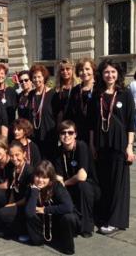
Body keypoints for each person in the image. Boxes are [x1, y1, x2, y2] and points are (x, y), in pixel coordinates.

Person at [88, 58, 135, 234]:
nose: (110, 75)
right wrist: (92, 145)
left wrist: (130, 146)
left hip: (119, 145)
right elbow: (92, 123)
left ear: (118, 74)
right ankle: (103, 216)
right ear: (102, 74)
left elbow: (131, 123)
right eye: (107, 72)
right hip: (101, 144)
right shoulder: (97, 94)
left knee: (118, 184)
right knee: (104, 183)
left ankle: (116, 221)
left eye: (113, 72)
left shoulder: (125, 93)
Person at [54, 119, 100, 237]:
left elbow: (82, 176)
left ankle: (86, 227)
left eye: (70, 133)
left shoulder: (81, 146)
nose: (66, 136)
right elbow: (58, 176)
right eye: (63, 133)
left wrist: (65, 183)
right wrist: (62, 183)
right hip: (70, 185)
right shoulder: (59, 151)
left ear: (75, 134)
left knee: (82, 186)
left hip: (89, 187)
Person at [24, 161, 79, 255]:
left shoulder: (57, 186)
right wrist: (34, 192)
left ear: (50, 178)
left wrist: (44, 209)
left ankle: (68, 246)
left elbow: (68, 207)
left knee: (69, 217)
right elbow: (29, 212)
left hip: (59, 222)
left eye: (44, 177)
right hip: (44, 225)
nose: (40, 180)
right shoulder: (32, 187)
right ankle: (39, 239)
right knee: (30, 217)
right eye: (38, 176)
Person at [0, 139, 33, 238]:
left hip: (26, 205)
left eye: (17, 155)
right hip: (17, 200)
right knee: (2, 212)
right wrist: (9, 204)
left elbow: (28, 198)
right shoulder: (14, 169)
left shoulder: (29, 171)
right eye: (11, 156)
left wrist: (11, 205)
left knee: (3, 213)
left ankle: (23, 230)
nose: (14, 158)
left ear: (24, 154)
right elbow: (12, 189)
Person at [27, 64, 57, 160]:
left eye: (39, 77)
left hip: (49, 134)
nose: (36, 79)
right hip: (34, 135)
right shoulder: (31, 94)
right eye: (34, 77)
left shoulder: (53, 94)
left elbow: (57, 115)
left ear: (44, 77)